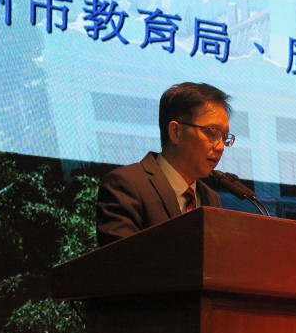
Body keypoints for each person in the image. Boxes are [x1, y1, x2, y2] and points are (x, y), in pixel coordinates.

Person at [96, 82, 235, 246]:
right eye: (212, 132)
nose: (220, 147)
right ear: (176, 132)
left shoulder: (211, 198)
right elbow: (122, 259)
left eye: (224, 137)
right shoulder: (126, 186)